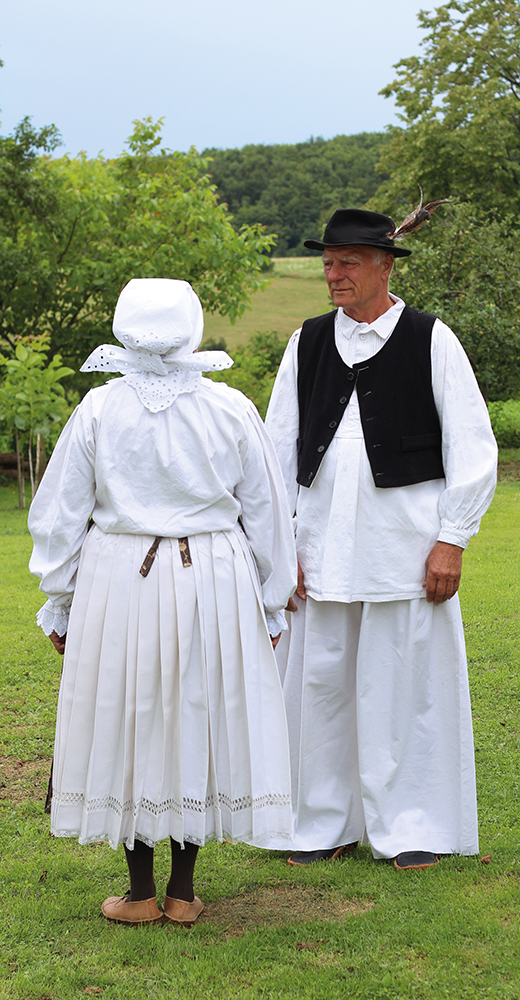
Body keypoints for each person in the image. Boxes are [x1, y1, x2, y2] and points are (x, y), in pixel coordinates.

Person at [29, 278, 297, 924]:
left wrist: (59, 600)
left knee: (132, 719)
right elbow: (268, 514)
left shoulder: (99, 410)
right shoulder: (228, 407)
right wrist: (268, 602)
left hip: (119, 577)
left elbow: (60, 516)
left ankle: (139, 893)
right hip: (213, 574)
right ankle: (182, 892)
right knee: (197, 717)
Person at [264, 209, 497, 870]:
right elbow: (274, 451)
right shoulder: (306, 342)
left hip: (406, 547)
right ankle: (319, 824)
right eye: (328, 262)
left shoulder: (431, 339)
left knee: (405, 692)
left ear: (384, 266)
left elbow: (472, 448)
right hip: (319, 547)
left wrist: (451, 538)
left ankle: (412, 824)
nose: (334, 275)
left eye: (348, 263)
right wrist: (283, 547)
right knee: (318, 688)